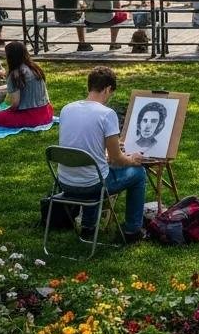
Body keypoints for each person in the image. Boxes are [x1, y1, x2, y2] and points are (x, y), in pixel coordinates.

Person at [56, 66, 147, 242]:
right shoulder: (107, 114)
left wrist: (107, 147)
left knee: (95, 169)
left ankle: (88, 227)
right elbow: (117, 159)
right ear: (107, 89)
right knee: (138, 174)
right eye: (110, 93)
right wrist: (132, 159)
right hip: (92, 186)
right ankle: (132, 231)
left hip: (65, 183)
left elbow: (81, 142)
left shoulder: (67, 109)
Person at [0, 42, 53, 128]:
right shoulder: (35, 68)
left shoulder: (15, 74)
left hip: (30, 117)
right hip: (46, 113)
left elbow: (15, 103)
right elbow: (20, 86)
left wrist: (6, 111)